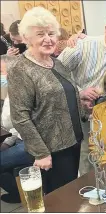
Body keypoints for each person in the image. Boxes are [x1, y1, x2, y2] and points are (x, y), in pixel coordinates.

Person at [7, 7, 84, 194]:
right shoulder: (20, 69)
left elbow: (63, 94)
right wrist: (41, 153)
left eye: (51, 33)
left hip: (72, 140)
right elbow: (20, 116)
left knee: (70, 192)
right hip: (50, 149)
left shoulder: (56, 63)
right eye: (40, 34)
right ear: (27, 38)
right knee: (58, 198)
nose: (48, 39)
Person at [57, 15, 106, 176]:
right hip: (80, 110)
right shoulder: (82, 46)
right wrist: (79, 93)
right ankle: (88, 189)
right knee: (87, 152)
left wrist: (104, 97)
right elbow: (56, 73)